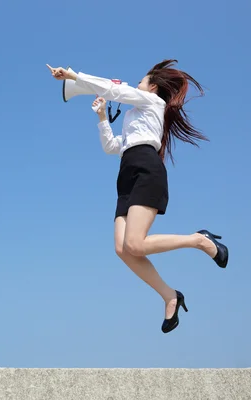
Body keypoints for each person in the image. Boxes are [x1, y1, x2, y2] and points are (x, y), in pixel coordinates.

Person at [47, 60, 229, 333]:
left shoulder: (151, 102)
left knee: (136, 244)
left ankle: (198, 240)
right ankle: (170, 296)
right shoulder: (136, 116)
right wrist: (102, 118)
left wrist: (74, 75)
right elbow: (112, 147)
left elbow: (114, 90)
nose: (137, 84)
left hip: (146, 169)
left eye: (141, 81)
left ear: (152, 87)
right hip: (127, 175)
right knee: (122, 249)